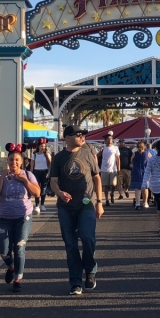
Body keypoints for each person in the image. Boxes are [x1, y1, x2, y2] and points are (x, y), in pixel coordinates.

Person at [50, 125, 104, 296]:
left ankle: (90, 270)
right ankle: (75, 282)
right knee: (71, 245)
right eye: (78, 135)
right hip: (65, 207)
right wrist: (59, 193)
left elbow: (97, 178)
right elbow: (53, 181)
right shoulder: (58, 158)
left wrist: (100, 202)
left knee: (87, 237)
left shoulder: (88, 154)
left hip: (86, 204)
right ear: (67, 138)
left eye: (83, 135)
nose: (82, 137)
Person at [0, 150, 40, 292]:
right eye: (11, 159)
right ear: (7, 161)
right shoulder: (1, 175)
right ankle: (11, 266)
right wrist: (2, 177)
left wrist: (24, 180)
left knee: (19, 248)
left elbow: (37, 193)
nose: (14, 162)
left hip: (23, 217)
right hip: (5, 217)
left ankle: (18, 278)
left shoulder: (28, 175)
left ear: (22, 161)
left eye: (17, 159)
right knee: (3, 250)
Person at [98, 134, 121, 205]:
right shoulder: (103, 148)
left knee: (114, 184)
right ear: (105, 140)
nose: (110, 140)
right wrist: (100, 151)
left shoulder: (115, 148)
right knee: (105, 185)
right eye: (108, 138)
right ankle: (107, 200)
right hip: (104, 169)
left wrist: (118, 168)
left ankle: (112, 193)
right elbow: (97, 156)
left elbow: (118, 159)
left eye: (111, 138)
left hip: (113, 169)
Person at [32, 140, 52, 212]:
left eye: (44, 146)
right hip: (36, 172)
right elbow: (32, 166)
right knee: (37, 189)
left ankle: (42, 204)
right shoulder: (34, 155)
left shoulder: (47, 155)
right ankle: (37, 205)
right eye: (41, 146)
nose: (43, 147)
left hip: (45, 172)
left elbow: (50, 165)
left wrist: (49, 173)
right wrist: (31, 174)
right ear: (38, 147)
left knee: (43, 189)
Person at [130, 140, 150, 209]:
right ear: (143, 146)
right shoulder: (147, 153)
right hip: (145, 171)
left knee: (137, 188)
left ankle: (137, 203)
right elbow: (150, 162)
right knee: (145, 188)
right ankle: (145, 202)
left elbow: (131, 161)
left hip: (136, 171)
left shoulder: (134, 154)